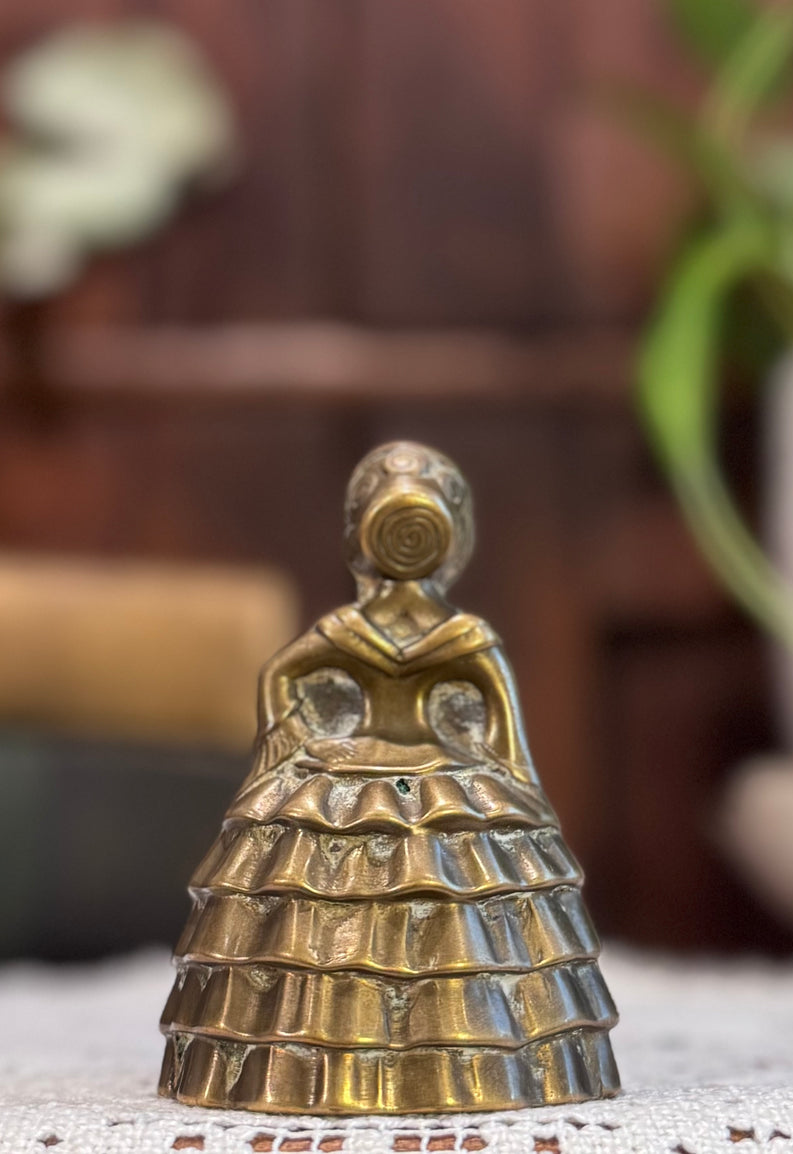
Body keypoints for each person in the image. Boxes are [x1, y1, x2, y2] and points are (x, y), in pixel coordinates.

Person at [160, 441, 619, 1114]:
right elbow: (505, 733)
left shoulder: (402, 632)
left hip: (383, 777)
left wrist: (284, 739)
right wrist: (518, 791)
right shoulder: (439, 634)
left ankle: (441, 1056)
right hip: (394, 778)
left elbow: (282, 673)